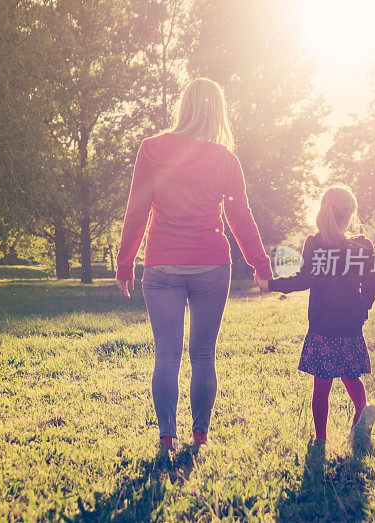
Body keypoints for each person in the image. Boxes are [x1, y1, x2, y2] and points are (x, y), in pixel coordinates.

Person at [115, 78, 272, 454]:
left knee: (166, 354)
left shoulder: (151, 149)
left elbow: (136, 209)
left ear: (183, 107)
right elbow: (241, 217)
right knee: (203, 354)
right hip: (211, 265)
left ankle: (167, 436)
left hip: (162, 265)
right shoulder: (225, 159)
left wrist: (125, 265)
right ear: (218, 112)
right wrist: (260, 264)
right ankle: (200, 434)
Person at [256, 186, 375, 448]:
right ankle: (361, 416)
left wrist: (270, 284)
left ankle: (320, 440)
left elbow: (304, 280)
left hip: (323, 325)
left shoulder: (315, 243)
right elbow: (372, 286)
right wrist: (362, 311)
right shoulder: (362, 245)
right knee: (350, 376)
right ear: (349, 215)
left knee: (321, 385)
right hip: (350, 325)